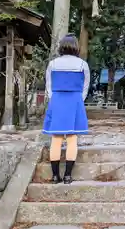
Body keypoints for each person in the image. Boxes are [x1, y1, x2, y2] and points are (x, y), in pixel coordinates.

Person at [42, 33, 90, 184]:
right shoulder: (82, 64)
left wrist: (53, 97)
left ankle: (55, 176)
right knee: (72, 138)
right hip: (75, 100)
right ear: (76, 47)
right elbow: (85, 85)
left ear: (61, 46)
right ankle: (68, 175)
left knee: (55, 139)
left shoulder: (53, 64)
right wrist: (78, 99)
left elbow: (48, 84)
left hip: (57, 99)